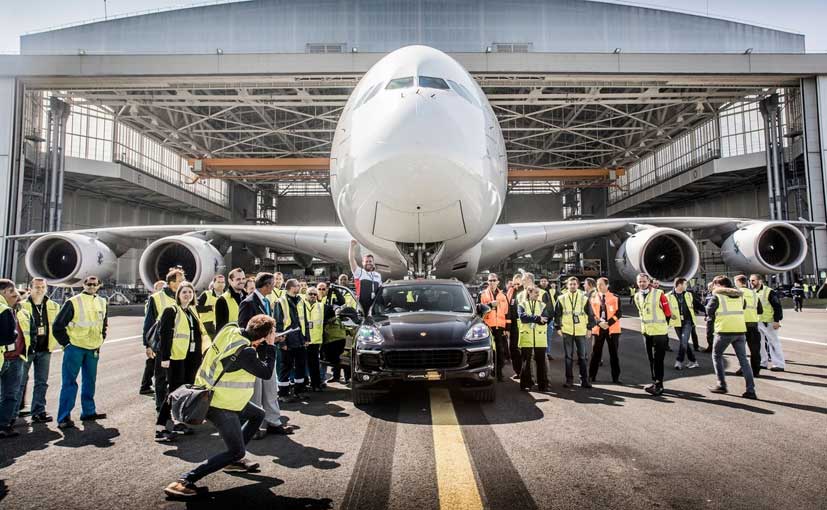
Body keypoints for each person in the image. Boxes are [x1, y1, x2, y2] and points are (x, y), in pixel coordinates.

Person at [163, 315, 282, 498]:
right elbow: (266, 373)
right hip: (220, 404)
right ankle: (183, 481)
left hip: (214, 393)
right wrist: (272, 346)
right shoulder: (246, 352)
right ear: (263, 337)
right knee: (236, 450)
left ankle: (233, 461)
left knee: (257, 414)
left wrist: (262, 341)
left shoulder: (230, 330)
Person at [154, 281, 209, 441]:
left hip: (190, 359)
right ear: (178, 294)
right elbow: (165, 335)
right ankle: (160, 427)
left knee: (185, 391)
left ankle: (178, 423)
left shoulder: (191, 311)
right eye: (184, 292)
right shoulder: (171, 310)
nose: (187, 295)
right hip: (175, 358)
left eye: (190, 292)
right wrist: (165, 358)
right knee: (173, 392)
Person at [53, 275, 109, 429]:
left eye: (94, 284)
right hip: (75, 347)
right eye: (88, 284)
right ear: (83, 285)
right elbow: (58, 325)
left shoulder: (102, 302)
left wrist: (101, 339)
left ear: (99, 285)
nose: (91, 286)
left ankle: (88, 411)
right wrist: (67, 345)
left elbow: (104, 323)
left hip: (93, 348)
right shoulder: (73, 301)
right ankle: (63, 417)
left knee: (90, 381)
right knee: (69, 382)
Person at [15, 278, 60, 423]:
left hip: (45, 349)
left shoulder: (53, 306)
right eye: (37, 287)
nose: (40, 289)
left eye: (42, 287)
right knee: (19, 382)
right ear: (30, 288)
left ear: (46, 288)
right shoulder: (21, 306)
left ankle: (38, 411)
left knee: (42, 382)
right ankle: (12, 413)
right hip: (26, 351)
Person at [706, 276, 757, 399]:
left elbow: (708, 311)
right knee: (744, 361)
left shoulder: (717, 296)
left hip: (724, 331)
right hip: (740, 331)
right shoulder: (740, 296)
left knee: (716, 356)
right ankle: (751, 390)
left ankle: (721, 384)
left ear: (720, 285)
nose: (714, 287)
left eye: (715, 284)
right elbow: (743, 308)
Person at [142, 269, 184, 397]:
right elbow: (149, 323)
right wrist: (148, 345)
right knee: (161, 377)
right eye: (180, 281)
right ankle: (161, 407)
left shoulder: (183, 295)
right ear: (171, 283)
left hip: (180, 344)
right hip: (162, 344)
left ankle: (174, 405)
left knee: (177, 378)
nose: (183, 283)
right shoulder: (156, 298)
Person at [634, 273, 672, 396]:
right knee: (651, 359)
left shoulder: (659, 294)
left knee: (658, 360)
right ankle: (655, 381)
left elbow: (668, 313)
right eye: (639, 281)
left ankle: (659, 384)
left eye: (644, 281)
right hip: (646, 331)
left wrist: (663, 326)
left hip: (659, 332)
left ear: (648, 281)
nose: (641, 283)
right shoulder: (637, 296)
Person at [555, 277, 595, 389]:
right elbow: (557, 314)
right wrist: (558, 327)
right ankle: (569, 380)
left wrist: (589, 328)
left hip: (581, 331)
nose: (572, 286)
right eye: (570, 284)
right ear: (567, 285)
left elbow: (590, 314)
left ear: (578, 285)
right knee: (568, 357)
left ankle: (584, 380)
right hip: (567, 330)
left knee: (582, 357)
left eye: (574, 284)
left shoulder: (584, 298)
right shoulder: (561, 298)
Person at [275, 279, 309, 401]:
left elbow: (305, 321)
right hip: (288, 340)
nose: (299, 287)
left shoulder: (301, 301)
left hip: (299, 339)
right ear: (291, 287)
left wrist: (306, 339)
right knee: (286, 367)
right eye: (297, 285)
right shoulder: (281, 301)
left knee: (300, 366)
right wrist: (282, 342)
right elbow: (278, 323)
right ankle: (283, 394)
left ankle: (298, 391)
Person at [0, 279, 24, 438]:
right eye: (11, 293)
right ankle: (3, 425)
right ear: (3, 292)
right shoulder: (4, 309)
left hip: (13, 357)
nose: (14, 296)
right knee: (10, 394)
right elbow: (9, 336)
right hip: (8, 357)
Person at [588, 277, 622, 384]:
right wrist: (599, 323)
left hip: (612, 329)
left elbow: (619, 313)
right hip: (598, 328)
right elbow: (591, 314)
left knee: (614, 354)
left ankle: (616, 378)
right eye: (598, 284)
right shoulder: (592, 297)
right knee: (595, 353)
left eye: (601, 284)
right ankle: (591, 376)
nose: (599, 286)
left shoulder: (615, 297)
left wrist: (609, 323)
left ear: (607, 286)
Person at [516, 286, 550, 391]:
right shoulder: (522, 305)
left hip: (540, 337)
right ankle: (526, 384)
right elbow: (522, 318)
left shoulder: (542, 305)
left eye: (538, 293)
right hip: (526, 336)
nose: (538, 295)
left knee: (541, 362)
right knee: (526, 362)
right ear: (529, 293)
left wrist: (533, 318)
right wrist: (537, 318)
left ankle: (542, 385)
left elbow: (546, 319)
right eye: (536, 293)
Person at [750, 274, 785, 372]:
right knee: (759, 344)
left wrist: (777, 321)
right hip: (757, 321)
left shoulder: (769, 291)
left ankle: (779, 364)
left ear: (760, 281)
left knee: (773, 343)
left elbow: (777, 306)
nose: (751, 282)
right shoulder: (752, 292)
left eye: (753, 280)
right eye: (750, 280)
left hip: (769, 322)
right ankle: (762, 363)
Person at [479, 273, 509, 382]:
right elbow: (479, 310)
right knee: (490, 351)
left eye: (493, 280)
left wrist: (507, 329)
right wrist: (490, 305)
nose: (492, 282)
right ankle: (489, 372)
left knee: (501, 351)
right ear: (487, 282)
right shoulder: (482, 294)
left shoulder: (503, 295)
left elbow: (507, 313)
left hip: (500, 327)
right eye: (490, 280)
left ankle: (499, 372)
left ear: (498, 282)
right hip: (488, 327)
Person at [319, 282, 349, 384]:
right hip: (320, 332)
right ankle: (322, 379)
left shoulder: (332, 298)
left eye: (324, 289)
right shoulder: (315, 298)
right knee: (323, 357)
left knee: (337, 356)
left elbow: (342, 301)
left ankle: (341, 376)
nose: (322, 291)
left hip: (333, 332)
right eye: (320, 289)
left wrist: (335, 290)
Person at [667, 278, 700, 371]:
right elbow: (662, 306)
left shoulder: (689, 294)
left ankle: (679, 361)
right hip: (677, 322)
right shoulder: (668, 296)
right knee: (684, 342)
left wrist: (707, 312)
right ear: (679, 285)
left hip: (688, 322)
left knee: (684, 340)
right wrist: (669, 314)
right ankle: (693, 361)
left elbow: (697, 305)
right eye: (685, 284)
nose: (687, 286)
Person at [349, 240, 382, 314]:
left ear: (373, 263)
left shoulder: (378, 275)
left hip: (374, 310)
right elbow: (351, 260)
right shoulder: (359, 272)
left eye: (370, 261)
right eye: (366, 261)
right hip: (362, 309)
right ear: (362, 263)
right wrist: (352, 246)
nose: (368, 263)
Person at [304, 287, 327, 391]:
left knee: (314, 364)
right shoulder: (301, 305)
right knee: (301, 364)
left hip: (315, 341)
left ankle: (316, 384)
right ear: (306, 295)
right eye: (310, 294)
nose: (313, 295)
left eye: (314, 294)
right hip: (303, 340)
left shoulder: (321, 306)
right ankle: (302, 384)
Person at [215, 268, 246, 332]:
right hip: (231, 340)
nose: (242, 281)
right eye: (238, 279)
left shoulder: (248, 297)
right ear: (230, 281)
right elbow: (220, 328)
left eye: (243, 278)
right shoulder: (222, 300)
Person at [507, 273, 523, 379]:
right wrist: (507, 328)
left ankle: (524, 372)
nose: (516, 285)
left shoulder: (525, 292)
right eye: (515, 283)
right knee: (512, 348)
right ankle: (518, 371)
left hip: (523, 325)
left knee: (523, 350)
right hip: (513, 326)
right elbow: (508, 310)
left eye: (518, 283)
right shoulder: (511, 292)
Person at [539, 276, 558, 361]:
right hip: (540, 317)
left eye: (545, 281)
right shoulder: (537, 290)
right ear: (540, 282)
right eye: (542, 281)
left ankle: (547, 353)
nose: (543, 282)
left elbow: (557, 300)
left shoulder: (552, 290)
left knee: (548, 336)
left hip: (550, 316)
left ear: (548, 282)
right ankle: (540, 353)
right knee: (540, 336)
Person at [703, 282, 716, 353]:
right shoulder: (708, 295)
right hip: (709, 317)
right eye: (708, 286)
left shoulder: (717, 295)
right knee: (709, 333)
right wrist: (705, 315)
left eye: (710, 286)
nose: (708, 288)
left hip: (716, 317)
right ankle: (710, 346)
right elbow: (706, 306)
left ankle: (715, 348)